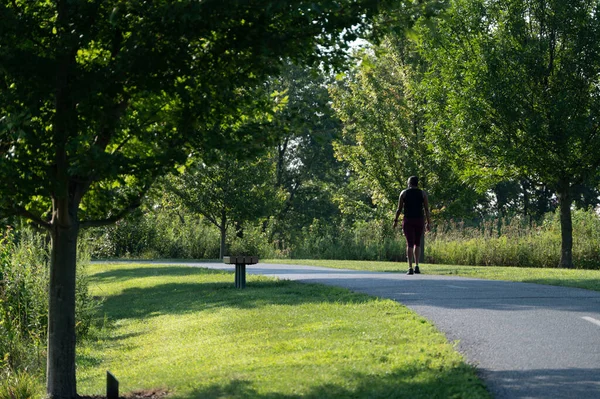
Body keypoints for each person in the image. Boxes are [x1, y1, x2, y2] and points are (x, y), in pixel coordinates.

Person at [392, 176, 431, 275]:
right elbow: (426, 209)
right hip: (419, 219)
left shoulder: (404, 193)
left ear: (409, 183)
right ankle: (417, 265)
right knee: (417, 243)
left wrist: (395, 220)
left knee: (409, 243)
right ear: (417, 183)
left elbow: (399, 209)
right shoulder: (422, 194)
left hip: (408, 220)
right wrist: (428, 222)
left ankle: (410, 267)